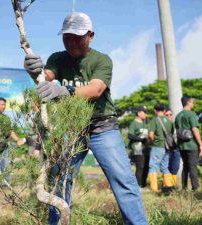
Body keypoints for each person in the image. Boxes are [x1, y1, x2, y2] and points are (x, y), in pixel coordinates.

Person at [24, 12, 148, 225]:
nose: (70, 42)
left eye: (76, 36)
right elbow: (45, 79)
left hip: (102, 127)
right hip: (72, 130)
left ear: (90, 35)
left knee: (124, 180)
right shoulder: (57, 58)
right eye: (66, 37)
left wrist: (64, 91)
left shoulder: (101, 60)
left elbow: (96, 89)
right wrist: (32, 70)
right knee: (60, 180)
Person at [0, 97, 26, 189]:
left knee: (3, 167)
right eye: (2, 104)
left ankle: (3, 185)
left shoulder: (6, 118)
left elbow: (10, 131)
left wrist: (18, 139)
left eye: (4, 105)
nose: (4, 107)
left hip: (4, 147)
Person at [175, 96, 202, 191]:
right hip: (191, 145)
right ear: (188, 102)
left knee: (185, 166)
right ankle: (195, 188)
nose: (193, 104)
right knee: (193, 167)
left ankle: (184, 187)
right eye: (192, 102)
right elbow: (195, 129)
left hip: (182, 145)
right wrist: (200, 144)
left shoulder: (178, 116)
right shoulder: (191, 114)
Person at [147, 104, 174, 192]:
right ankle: (169, 186)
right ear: (164, 110)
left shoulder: (154, 120)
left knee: (153, 166)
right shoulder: (169, 121)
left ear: (155, 110)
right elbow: (171, 134)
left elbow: (151, 135)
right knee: (165, 167)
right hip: (167, 147)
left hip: (157, 146)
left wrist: (150, 142)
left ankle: (154, 189)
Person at [128, 106, 149, 188]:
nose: (146, 114)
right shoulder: (134, 123)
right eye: (144, 112)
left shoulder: (145, 123)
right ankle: (138, 186)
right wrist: (140, 139)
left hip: (146, 149)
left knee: (146, 167)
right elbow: (130, 135)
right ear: (139, 113)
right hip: (137, 149)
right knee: (140, 167)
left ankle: (143, 185)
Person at [165, 108, 180, 187]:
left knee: (175, 168)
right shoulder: (162, 125)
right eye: (166, 115)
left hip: (176, 149)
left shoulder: (176, 125)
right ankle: (167, 186)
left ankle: (172, 187)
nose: (169, 116)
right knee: (167, 169)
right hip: (166, 150)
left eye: (170, 115)